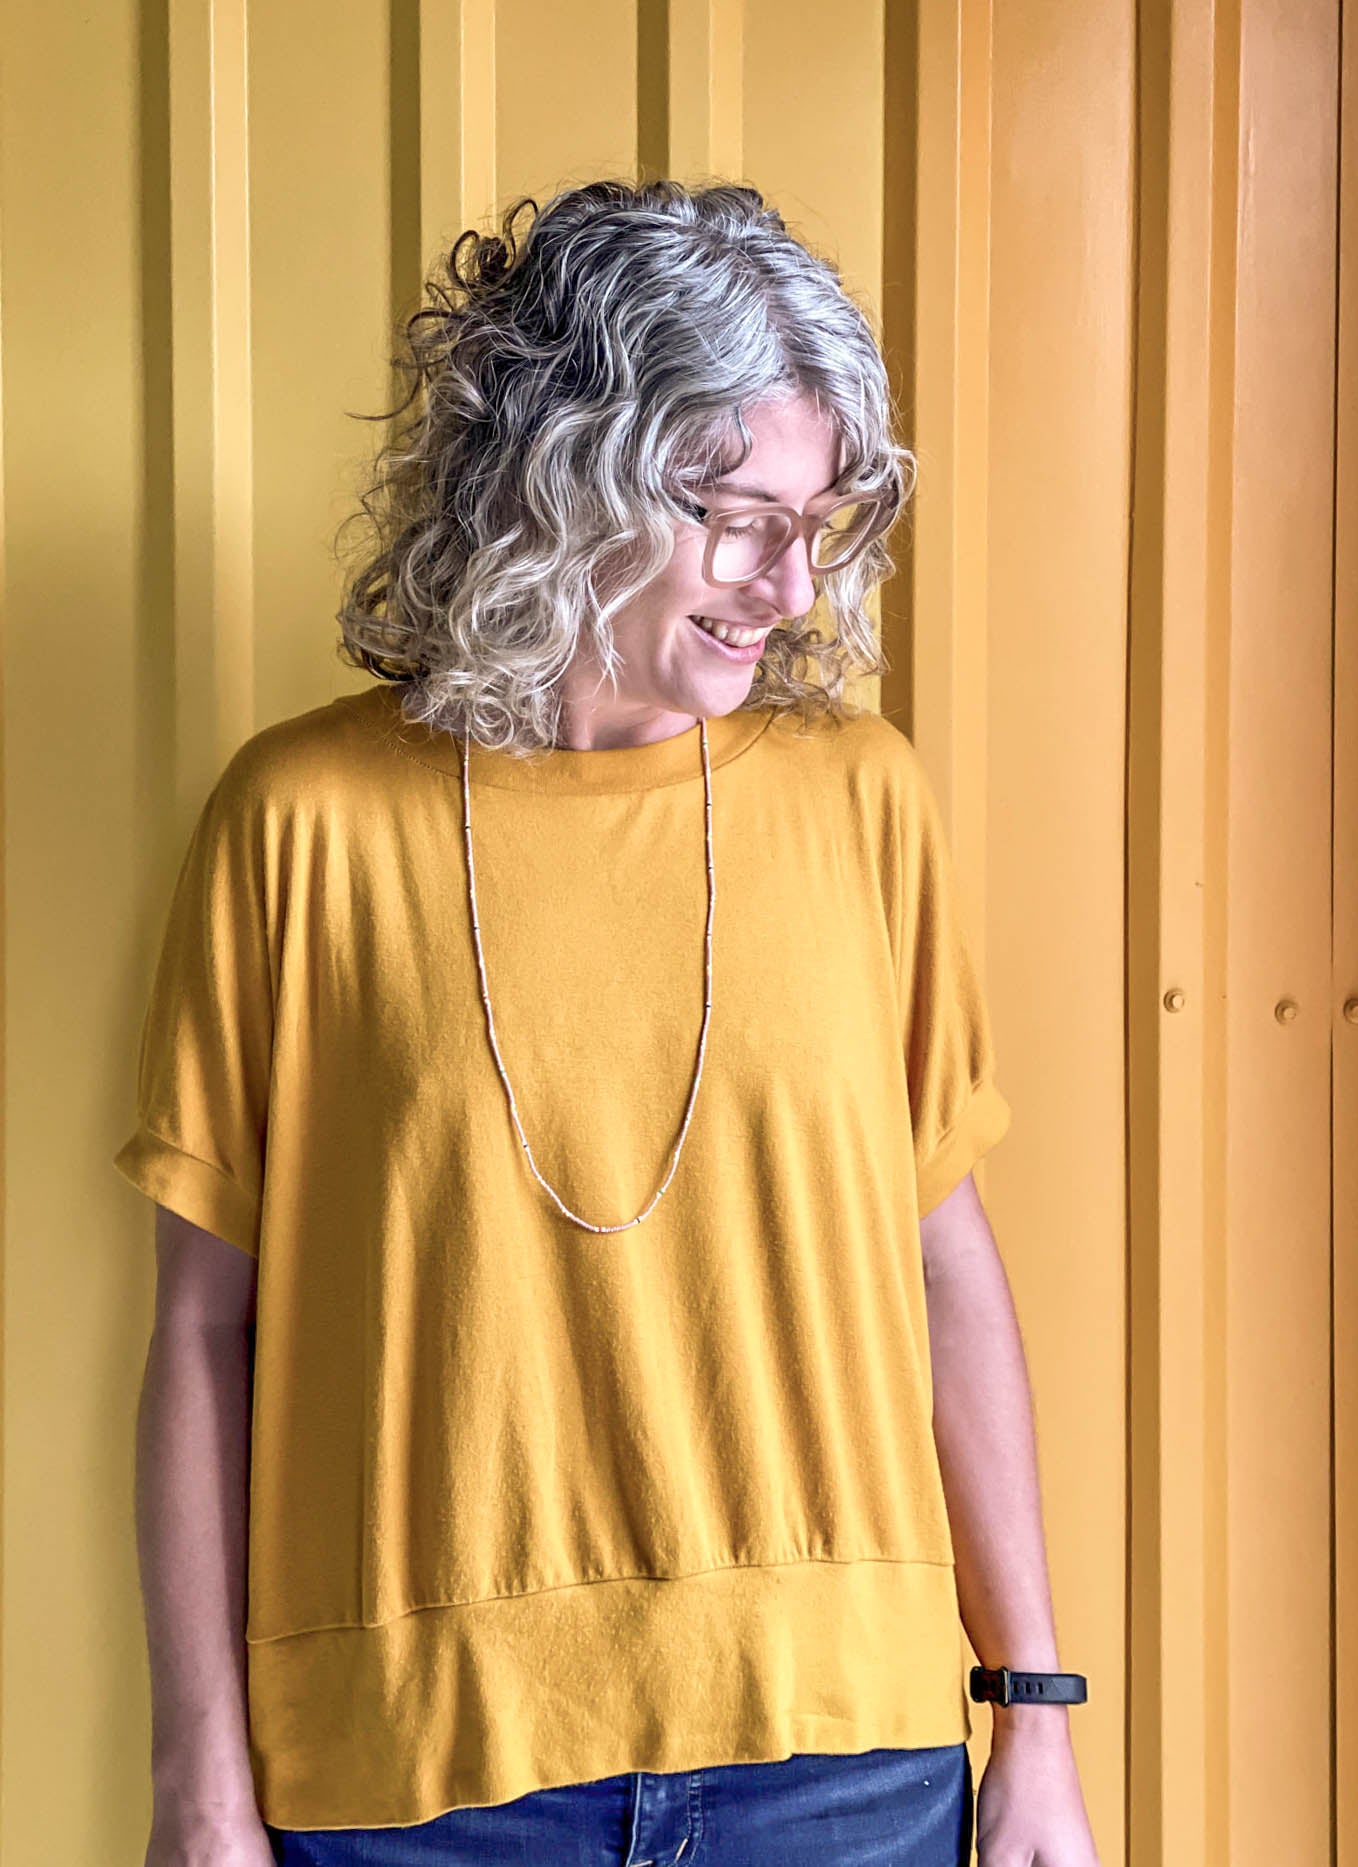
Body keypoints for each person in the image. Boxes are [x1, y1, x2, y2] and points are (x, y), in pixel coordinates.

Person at [116, 178, 1100, 1866]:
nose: (789, 583)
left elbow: (945, 1263)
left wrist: (1036, 1721)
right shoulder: (304, 821)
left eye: (820, 518)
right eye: (734, 512)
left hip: (845, 1768)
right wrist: (199, 1774)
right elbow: (208, 1333)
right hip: (423, 1785)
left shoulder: (858, 800)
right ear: (563, 482)